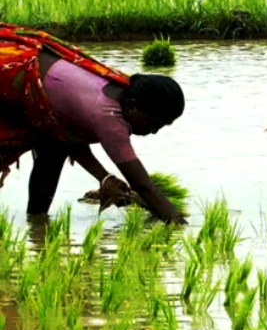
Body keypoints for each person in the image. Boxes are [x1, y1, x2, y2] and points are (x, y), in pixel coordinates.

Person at [0, 24, 187, 223]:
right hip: (11, 70)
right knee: (52, 146)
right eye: (152, 123)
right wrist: (179, 225)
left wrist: (105, 178)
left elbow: (69, 136)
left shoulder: (123, 87)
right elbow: (142, 185)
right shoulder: (110, 119)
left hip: (31, 77)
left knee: (53, 147)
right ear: (132, 107)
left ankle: (36, 224)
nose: (154, 131)